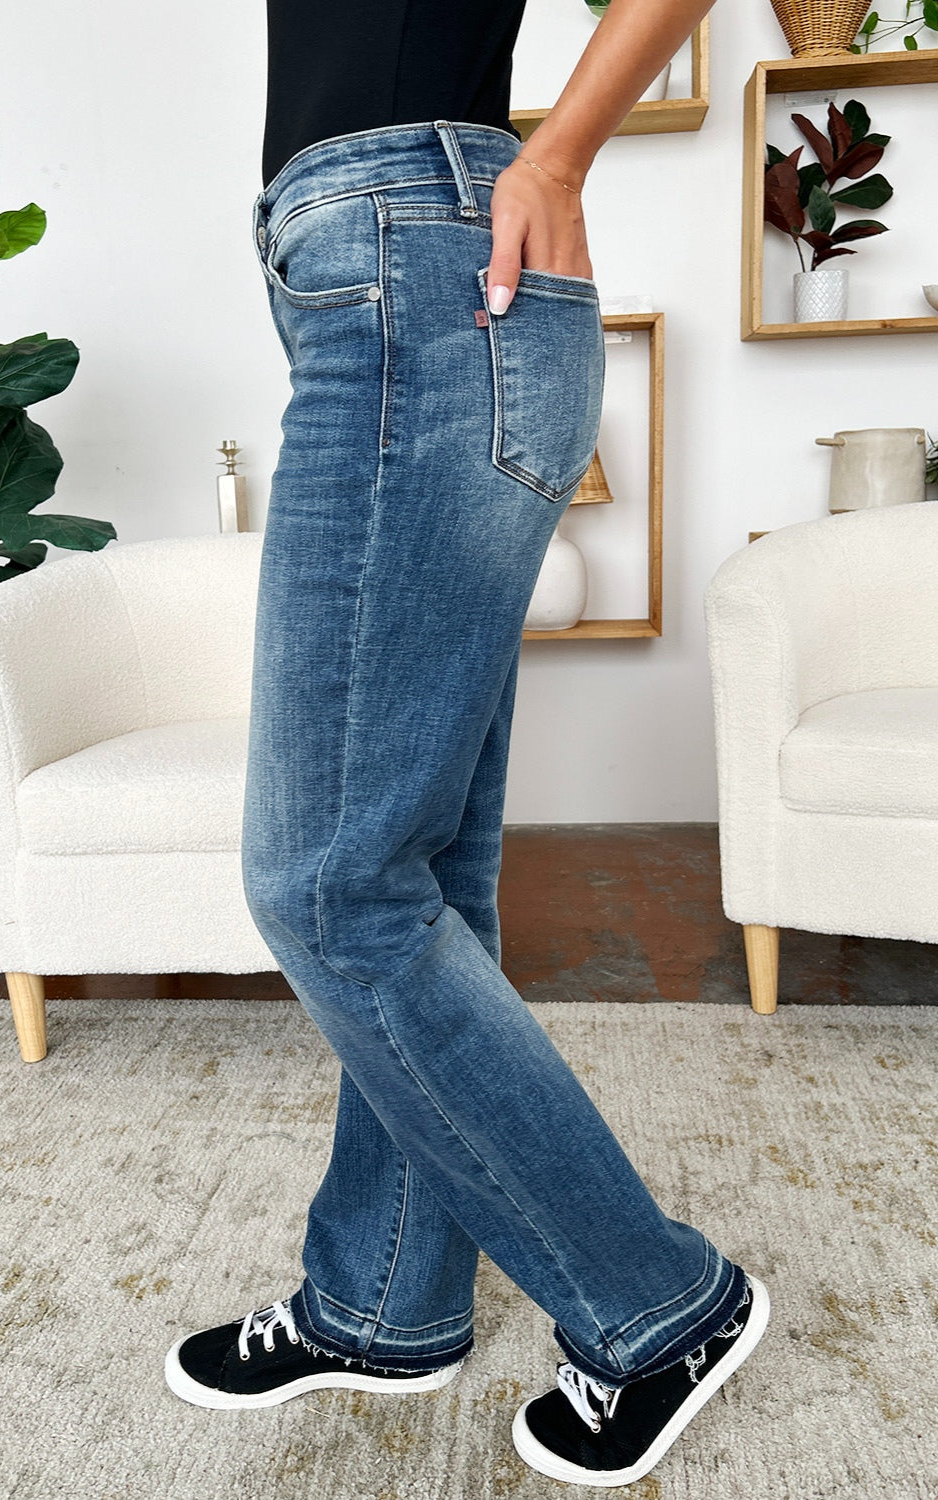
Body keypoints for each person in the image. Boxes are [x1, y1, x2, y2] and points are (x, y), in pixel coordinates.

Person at [164, 0, 770, 1486]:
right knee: (415, 870)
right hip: (397, 284)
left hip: (423, 274)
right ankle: (386, 1298)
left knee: (330, 883)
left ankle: (657, 1300)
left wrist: (561, 151)